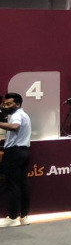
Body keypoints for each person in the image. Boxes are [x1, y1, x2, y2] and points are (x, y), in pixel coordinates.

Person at [0, 93, 32, 227]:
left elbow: (15, 127)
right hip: (24, 152)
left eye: (9, 104)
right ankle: (24, 216)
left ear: (18, 104)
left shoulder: (17, 115)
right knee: (22, 184)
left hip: (14, 153)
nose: (6, 106)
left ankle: (13, 217)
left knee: (13, 185)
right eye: (5, 104)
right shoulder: (24, 115)